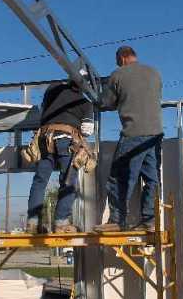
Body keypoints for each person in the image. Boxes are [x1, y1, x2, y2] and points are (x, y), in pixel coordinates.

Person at [94, 46, 163, 232]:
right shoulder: (154, 73)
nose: (118, 64)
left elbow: (105, 102)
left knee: (119, 176)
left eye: (118, 61)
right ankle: (150, 221)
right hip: (155, 135)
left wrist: (97, 96)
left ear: (123, 58)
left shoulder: (118, 74)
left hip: (133, 133)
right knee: (152, 179)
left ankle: (117, 220)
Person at [26, 76, 94, 233]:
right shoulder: (85, 103)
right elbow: (87, 131)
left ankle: (32, 223)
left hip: (44, 139)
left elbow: (43, 108)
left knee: (40, 180)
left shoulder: (52, 89)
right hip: (66, 139)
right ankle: (61, 222)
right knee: (68, 181)